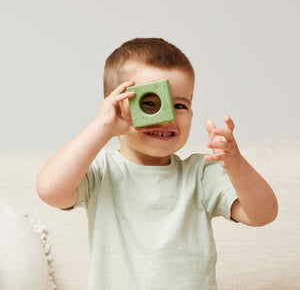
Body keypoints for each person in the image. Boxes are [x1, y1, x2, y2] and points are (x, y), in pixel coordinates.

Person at [36, 38, 278, 290]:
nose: (168, 117)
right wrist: (102, 127)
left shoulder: (200, 174)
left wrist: (236, 165)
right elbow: (50, 190)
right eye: (150, 103)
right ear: (116, 107)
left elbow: (263, 214)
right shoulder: (102, 172)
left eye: (180, 105)